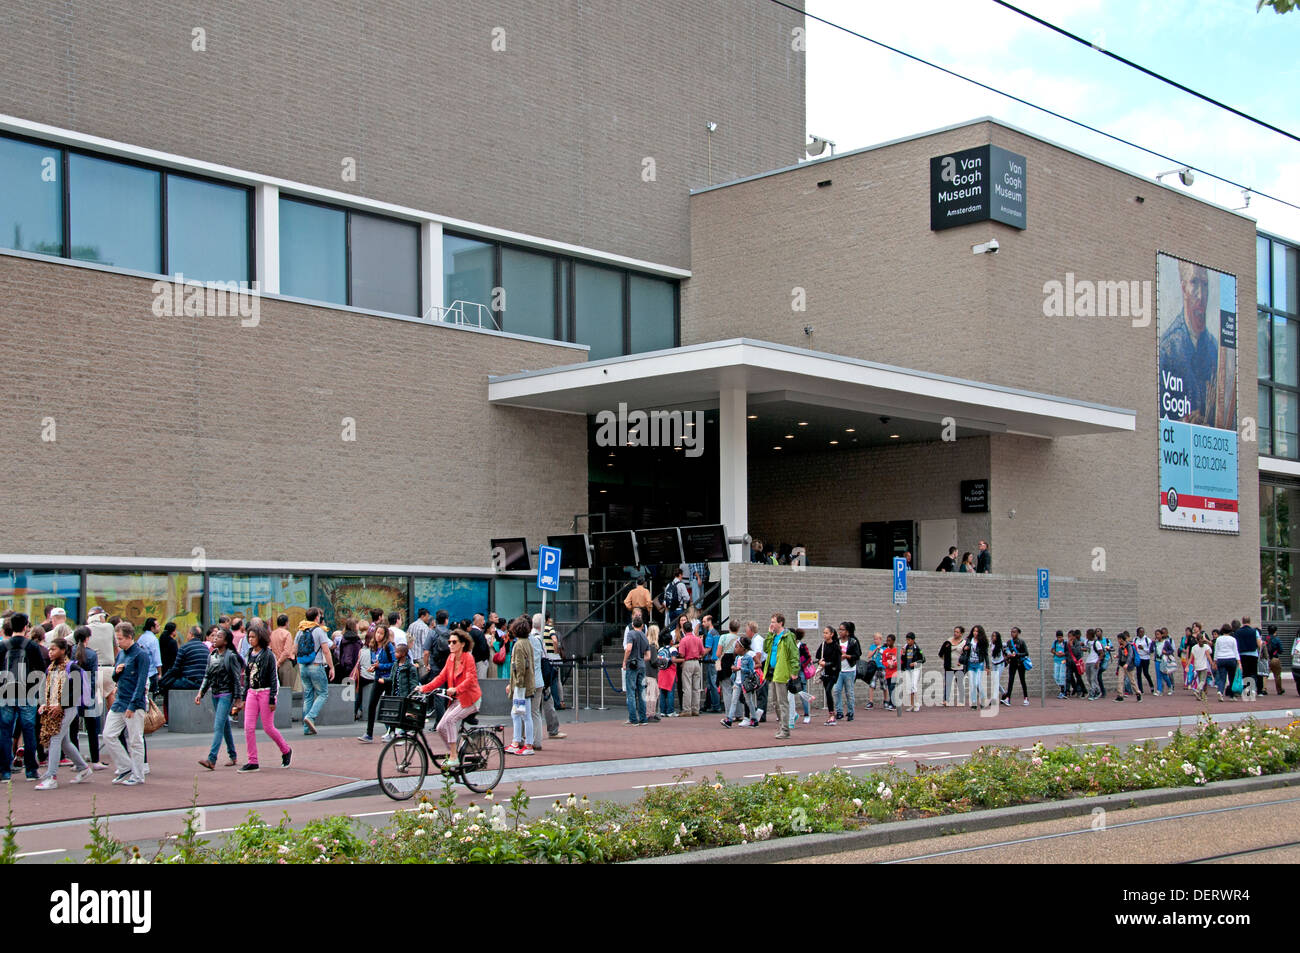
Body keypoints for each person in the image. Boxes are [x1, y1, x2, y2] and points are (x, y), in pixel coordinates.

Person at [1159, 260, 1218, 425]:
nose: (1201, 295)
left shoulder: (1214, 350)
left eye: (1205, 284)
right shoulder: (1167, 350)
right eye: (1194, 283)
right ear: (1183, 287)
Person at [417, 629, 481, 769]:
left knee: (450, 720)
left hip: (470, 698)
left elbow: (471, 679)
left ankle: (453, 756)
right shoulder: (450, 658)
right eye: (449, 642)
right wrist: (424, 688)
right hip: (457, 699)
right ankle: (455, 753)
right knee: (440, 727)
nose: (450, 645)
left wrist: (456, 689)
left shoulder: (468, 658)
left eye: (454, 642)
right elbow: (441, 677)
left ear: (462, 644)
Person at [34, 637, 92, 790]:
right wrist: (43, 704)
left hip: (67, 709)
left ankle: (51, 776)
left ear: (63, 650)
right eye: (50, 649)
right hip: (55, 708)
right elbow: (44, 687)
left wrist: (61, 705)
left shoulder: (72, 668)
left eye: (53, 649)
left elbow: (76, 691)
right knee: (64, 741)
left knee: (55, 738)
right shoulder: (51, 667)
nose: (50, 652)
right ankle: (83, 768)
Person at [239, 622, 291, 771]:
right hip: (252, 693)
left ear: (260, 637)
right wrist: (244, 696)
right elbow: (248, 676)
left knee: (268, 727)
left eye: (253, 637)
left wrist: (272, 697)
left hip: (266, 692)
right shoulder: (249, 653)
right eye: (249, 637)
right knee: (248, 727)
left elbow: (273, 677)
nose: (250, 640)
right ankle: (252, 760)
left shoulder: (268, 655)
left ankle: (286, 750)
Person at [103, 621, 149, 786]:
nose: (118, 642)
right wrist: (116, 672)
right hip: (120, 700)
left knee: (135, 740)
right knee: (108, 734)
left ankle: (137, 775)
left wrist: (133, 705)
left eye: (120, 639)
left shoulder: (141, 655)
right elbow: (115, 677)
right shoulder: (121, 654)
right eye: (117, 638)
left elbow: (141, 681)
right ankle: (126, 767)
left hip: (132, 703)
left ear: (130, 637)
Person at [0, 612, 45, 781]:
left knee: (5, 731)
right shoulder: (32, 646)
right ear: (26, 626)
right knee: (29, 731)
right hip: (27, 693)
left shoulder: (3, 646)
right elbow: (41, 670)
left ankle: (4, 771)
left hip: (5, 693)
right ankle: (31, 770)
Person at [195, 626, 243, 769]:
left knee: (218, 725)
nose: (215, 639)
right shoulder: (212, 655)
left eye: (219, 637)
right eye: (214, 636)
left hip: (226, 695)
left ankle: (212, 759)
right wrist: (200, 693)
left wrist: (238, 698)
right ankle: (233, 755)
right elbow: (207, 676)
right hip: (215, 694)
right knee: (224, 725)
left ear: (227, 641)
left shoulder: (231, 656)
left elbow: (236, 679)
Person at [68, 626, 108, 770]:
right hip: (87, 694)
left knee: (73, 730)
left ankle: (76, 761)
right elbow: (93, 677)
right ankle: (95, 760)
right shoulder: (91, 654)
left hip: (72, 695)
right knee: (92, 729)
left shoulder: (70, 652)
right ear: (87, 639)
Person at [295, 608, 334, 735]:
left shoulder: (300, 630)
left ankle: (307, 728)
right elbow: (326, 650)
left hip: (303, 666)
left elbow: (294, 650)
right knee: (323, 693)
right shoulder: (319, 631)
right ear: (317, 617)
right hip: (316, 665)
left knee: (308, 695)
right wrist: (331, 667)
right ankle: (310, 717)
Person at [527, 614, 561, 745]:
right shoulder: (537, 639)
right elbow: (543, 657)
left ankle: (529, 738)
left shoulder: (530, 638)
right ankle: (550, 731)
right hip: (540, 678)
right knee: (542, 707)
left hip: (534, 678)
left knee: (533, 710)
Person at [359, 624, 395, 743]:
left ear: (385, 635)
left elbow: (394, 663)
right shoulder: (373, 646)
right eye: (377, 633)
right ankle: (369, 733)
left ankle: (392, 732)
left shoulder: (388, 646)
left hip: (388, 679)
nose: (378, 635)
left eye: (381, 633)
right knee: (372, 705)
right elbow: (373, 661)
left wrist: (381, 666)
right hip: (378, 678)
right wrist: (373, 668)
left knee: (389, 705)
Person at [505, 618, 537, 755]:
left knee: (519, 714)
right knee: (522, 715)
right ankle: (520, 742)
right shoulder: (527, 643)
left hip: (521, 687)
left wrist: (516, 686)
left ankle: (521, 743)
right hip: (527, 685)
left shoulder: (518, 645)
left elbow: (519, 667)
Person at [721, 636, 757, 728]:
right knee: (734, 700)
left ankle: (754, 718)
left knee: (749, 701)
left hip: (745, 683)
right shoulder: (737, 658)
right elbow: (735, 671)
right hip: (737, 682)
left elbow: (751, 671)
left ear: (743, 648)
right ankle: (729, 719)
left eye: (737, 647)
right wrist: (734, 670)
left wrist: (740, 668)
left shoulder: (748, 658)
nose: (735, 649)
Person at [621, 611, 650, 726]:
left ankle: (633, 719)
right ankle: (643, 718)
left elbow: (628, 648)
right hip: (642, 665)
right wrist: (641, 659)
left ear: (632, 625)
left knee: (631, 692)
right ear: (642, 626)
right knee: (642, 692)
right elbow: (648, 656)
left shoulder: (631, 634)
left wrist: (624, 661)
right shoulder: (645, 637)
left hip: (632, 665)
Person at [160, 626, 210, 691]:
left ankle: (167, 701)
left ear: (191, 634)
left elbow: (175, 669)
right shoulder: (206, 649)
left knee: (168, 683)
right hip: (204, 683)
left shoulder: (184, 648)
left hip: (189, 682)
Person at [677, 617, 704, 716]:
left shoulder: (683, 640)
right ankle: (695, 708)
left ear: (684, 630)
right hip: (697, 662)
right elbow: (702, 652)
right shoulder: (697, 639)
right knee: (696, 687)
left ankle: (687, 709)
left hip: (687, 662)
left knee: (687, 687)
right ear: (692, 628)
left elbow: (681, 654)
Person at [834, 622, 861, 720]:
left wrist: (846, 656)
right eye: (839, 629)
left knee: (849, 692)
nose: (840, 632)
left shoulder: (853, 642)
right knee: (837, 690)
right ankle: (839, 711)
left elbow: (857, 655)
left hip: (849, 670)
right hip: (839, 670)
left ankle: (850, 712)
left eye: (842, 630)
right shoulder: (836, 641)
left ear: (848, 632)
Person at [815, 626, 841, 725]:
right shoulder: (823, 645)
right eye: (824, 632)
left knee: (828, 690)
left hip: (833, 673)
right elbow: (818, 657)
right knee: (827, 692)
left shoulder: (835, 646)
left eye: (827, 633)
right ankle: (831, 714)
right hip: (825, 673)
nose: (824, 635)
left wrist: (826, 664)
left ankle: (832, 715)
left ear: (832, 634)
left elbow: (837, 664)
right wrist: (820, 662)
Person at [1235, 617, 1263, 696]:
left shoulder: (1237, 632)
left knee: (1245, 673)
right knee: (1253, 672)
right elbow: (1259, 644)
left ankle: (1245, 689)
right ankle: (1252, 689)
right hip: (1253, 654)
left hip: (1242, 655)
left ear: (1242, 621)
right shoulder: (1254, 631)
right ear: (1250, 622)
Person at [1213, 624, 1241, 701]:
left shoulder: (1219, 639)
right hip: (1231, 659)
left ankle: (1220, 691)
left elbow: (1216, 651)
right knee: (1231, 678)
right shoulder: (1233, 639)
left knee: (1222, 678)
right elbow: (1236, 651)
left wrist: (1215, 661)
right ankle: (1232, 696)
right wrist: (1239, 662)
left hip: (1221, 659)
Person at [700, 615, 722, 713]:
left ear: (709, 622)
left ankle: (716, 705)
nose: (703, 624)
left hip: (711, 661)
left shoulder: (710, 634)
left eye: (704, 622)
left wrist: (701, 655)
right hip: (716, 660)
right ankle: (709, 704)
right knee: (712, 683)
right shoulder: (716, 633)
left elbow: (708, 648)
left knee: (712, 683)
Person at [1001, 626, 1029, 706]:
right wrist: (1007, 656)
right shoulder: (1009, 642)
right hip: (1012, 663)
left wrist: (1017, 654)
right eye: (1011, 632)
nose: (1012, 633)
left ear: (1018, 633)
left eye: (1014, 632)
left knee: (1022, 680)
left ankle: (1026, 698)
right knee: (1010, 680)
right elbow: (1006, 652)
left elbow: (1026, 653)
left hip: (1020, 663)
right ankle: (1008, 698)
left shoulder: (1021, 642)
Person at [964, 626, 989, 709]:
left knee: (978, 683)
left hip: (979, 664)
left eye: (977, 631)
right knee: (972, 684)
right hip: (970, 664)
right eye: (974, 631)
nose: (975, 633)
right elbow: (964, 650)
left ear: (980, 633)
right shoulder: (969, 639)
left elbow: (986, 654)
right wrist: (966, 648)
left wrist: (987, 666)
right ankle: (974, 703)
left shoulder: (983, 641)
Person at [939, 626, 965, 706]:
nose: (955, 633)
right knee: (948, 683)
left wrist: (962, 661)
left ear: (961, 633)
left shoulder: (964, 643)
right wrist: (946, 660)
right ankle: (946, 700)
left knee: (959, 683)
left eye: (957, 632)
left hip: (959, 666)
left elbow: (966, 654)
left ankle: (961, 701)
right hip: (949, 666)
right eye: (955, 632)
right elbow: (941, 653)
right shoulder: (948, 641)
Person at [901, 631, 925, 712]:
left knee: (914, 685)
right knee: (909, 686)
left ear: (913, 640)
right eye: (907, 640)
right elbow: (903, 659)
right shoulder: (906, 647)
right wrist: (903, 653)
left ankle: (917, 703)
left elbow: (923, 659)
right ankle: (912, 704)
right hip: (908, 669)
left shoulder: (917, 648)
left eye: (909, 640)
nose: (908, 641)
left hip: (915, 669)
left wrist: (915, 663)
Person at [656, 629, 678, 717]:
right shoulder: (673, 649)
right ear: (671, 641)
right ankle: (670, 711)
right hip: (670, 672)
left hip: (662, 671)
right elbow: (674, 659)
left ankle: (662, 710)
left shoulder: (660, 649)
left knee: (662, 691)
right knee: (670, 691)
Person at [335, 618, 363, 686]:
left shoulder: (344, 638)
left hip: (345, 667)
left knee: (346, 692)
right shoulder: (355, 640)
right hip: (353, 668)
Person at [644, 624, 663, 721]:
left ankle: (651, 713)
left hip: (647, 672)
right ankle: (650, 714)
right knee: (652, 694)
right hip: (651, 673)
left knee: (652, 693)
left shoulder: (647, 645)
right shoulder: (652, 647)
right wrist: (662, 661)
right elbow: (654, 661)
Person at [1115, 631, 1141, 702]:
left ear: (1122, 639)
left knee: (1132, 680)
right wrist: (1117, 656)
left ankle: (1138, 693)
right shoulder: (1120, 647)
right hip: (1121, 665)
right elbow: (1120, 655)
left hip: (1129, 666)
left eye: (1119, 639)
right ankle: (1120, 695)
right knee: (1120, 680)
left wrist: (1127, 663)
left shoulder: (1129, 646)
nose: (1118, 640)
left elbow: (1130, 656)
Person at [407, 608, 432, 677]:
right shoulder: (424, 627)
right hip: (421, 658)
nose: (428, 618)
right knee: (423, 678)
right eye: (427, 616)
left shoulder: (411, 625)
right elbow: (425, 644)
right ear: (422, 616)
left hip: (411, 657)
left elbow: (408, 640)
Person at [1190, 633, 1215, 701]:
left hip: (1197, 666)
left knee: (1200, 680)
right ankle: (1197, 690)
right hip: (1204, 666)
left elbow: (1191, 657)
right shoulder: (1205, 646)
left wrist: (1188, 665)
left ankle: (1201, 695)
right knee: (1203, 681)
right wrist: (1212, 663)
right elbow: (1209, 655)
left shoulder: (1194, 647)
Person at [880, 633, 900, 711]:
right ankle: (892, 702)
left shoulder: (897, 650)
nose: (888, 642)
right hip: (888, 672)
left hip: (894, 672)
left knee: (892, 687)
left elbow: (899, 660)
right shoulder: (885, 651)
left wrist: (894, 665)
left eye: (889, 641)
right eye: (887, 641)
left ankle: (893, 703)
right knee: (889, 687)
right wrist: (888, 665)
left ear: (893, 641)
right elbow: (883, 661)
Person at [1133, 627, 1155, 695]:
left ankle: (1151, 686)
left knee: (1146, 673)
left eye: (1142, 632)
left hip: (1145, 658)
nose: (1141, 633)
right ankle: (1140, 689)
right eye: (1140, 632)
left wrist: (1143, 649)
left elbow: (1151, 650)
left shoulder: (1147, 640)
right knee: (1138, 673)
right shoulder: (1135, 639)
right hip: (1138, 658)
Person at [1266, 624, 1286, 696]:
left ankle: (1263, 689)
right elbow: (1281, 650)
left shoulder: (1265, 638)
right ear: (1275, 631)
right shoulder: (1277, 639)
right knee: (1277, 675)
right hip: (1275, 658)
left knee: (1265, 675)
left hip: (1266, 659)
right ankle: (1279, 690)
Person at [158, 622, 179, 687]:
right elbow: (175, 656)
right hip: (170, 668)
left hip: (163, 667)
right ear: (172, 631)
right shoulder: (173, 642)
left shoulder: (161, 640)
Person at [988, 631, 1005, 703]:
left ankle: (994, 699)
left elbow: (1008, 649)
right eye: (993, 636)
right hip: (994, 664)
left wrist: (1010, 654)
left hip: (1000, 664)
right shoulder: (991, 643)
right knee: (995, 681)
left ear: (998, 637)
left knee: (996, 681)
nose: (993, 637)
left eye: (995, 636)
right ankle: (1004, 693)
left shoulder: (1002, 644)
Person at [1051, 630, 1068, 699]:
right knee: (1056, 676)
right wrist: (1056, 653)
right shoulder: (1055, 643)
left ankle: (1063, 691)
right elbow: (1052, 650)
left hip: (1063, 660)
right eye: (1058, 637)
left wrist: (1063, 654)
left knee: (1062, 675)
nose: (1059, 639)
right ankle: (1062, 687)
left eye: (1060, 637)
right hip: (1056, 660)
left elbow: (1068, 651)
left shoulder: (1065, 643)